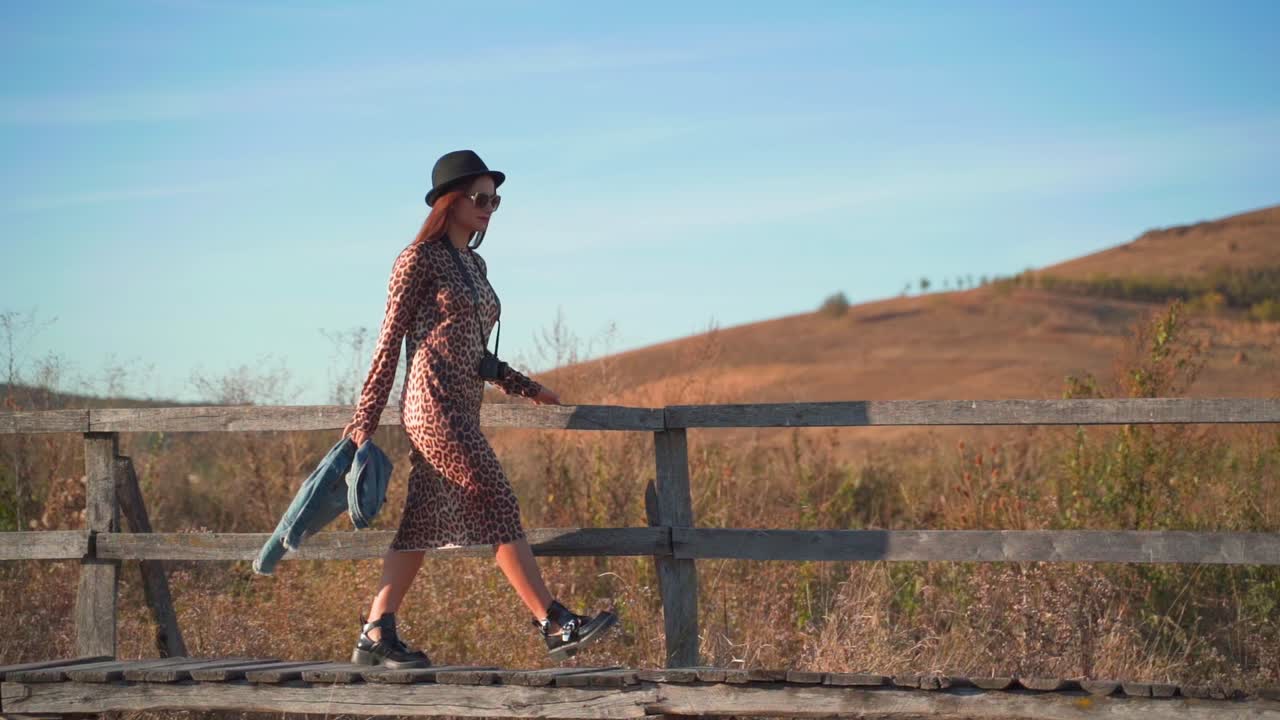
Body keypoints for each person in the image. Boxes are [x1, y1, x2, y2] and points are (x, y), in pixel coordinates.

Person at [342, 149, 617, 668]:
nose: (489, 206)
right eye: (480, 197)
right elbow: (387, 343)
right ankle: (553, 622)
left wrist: (522, 385)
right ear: (451, 201)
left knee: (420, 523)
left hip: (465, 406)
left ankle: (376, 634)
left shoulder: (474, 263)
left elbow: (472, 349)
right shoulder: (416, 259)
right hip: (431, 406)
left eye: (496, 198)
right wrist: (364, 421)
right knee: (495, 496)